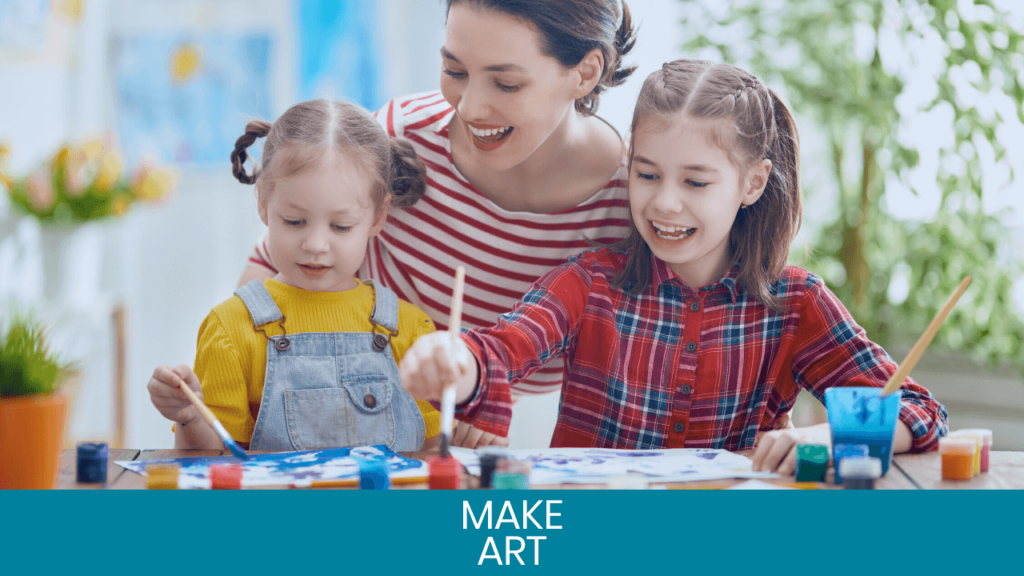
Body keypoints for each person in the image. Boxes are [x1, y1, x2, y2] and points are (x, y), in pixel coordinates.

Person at [397, 59, 949, 474]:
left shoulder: (795, 302)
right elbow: (500, 349)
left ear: (752, 183)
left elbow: (919, 411)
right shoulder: (590, 283)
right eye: (647, 174)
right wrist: (456, 360)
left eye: (696, 182)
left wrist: (827, 438)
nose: (664, 203)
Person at [237, 0, 640, 448]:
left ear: (584, 73)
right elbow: (270, 264)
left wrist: (483, 392)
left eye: (506, 83)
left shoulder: (631, 208)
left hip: (459, 454)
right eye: (455, 71)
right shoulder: (400, 134)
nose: (469, 108)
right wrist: (245, 388)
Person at [147, 99, 440, 451]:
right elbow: (209, 459)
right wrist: (187, 414)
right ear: (263, 204)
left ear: (377, 218)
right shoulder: (229, 329)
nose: (315, 244)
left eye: (341, 226)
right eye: (294, 221)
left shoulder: (414, 332)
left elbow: (435, 458)